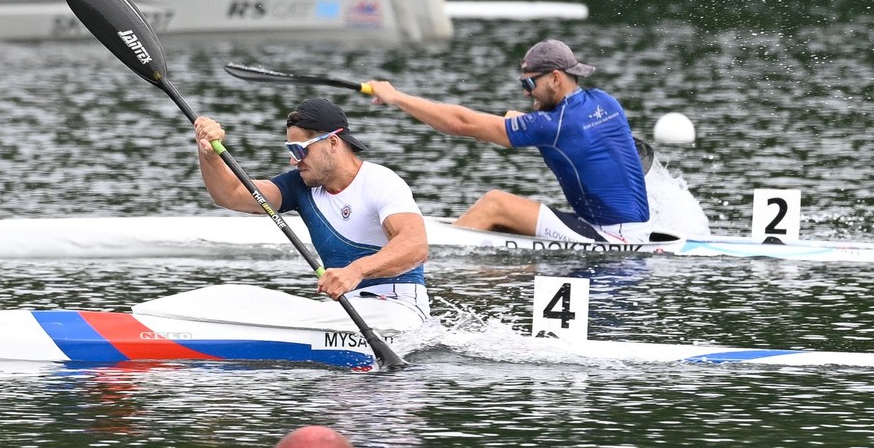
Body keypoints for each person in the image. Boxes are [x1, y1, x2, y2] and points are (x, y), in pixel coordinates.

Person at [366, 39, 650, 244]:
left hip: (609, 236)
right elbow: (574, 134)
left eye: (529, 84)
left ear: (554, 78)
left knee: (495, 204)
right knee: (501, 224)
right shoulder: (605, 101)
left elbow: (462, 124)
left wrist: (397, 97)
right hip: (635, 228)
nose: (527, 93)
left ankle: (425, 255)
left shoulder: (554, 126)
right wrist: (525, 122)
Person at [193, 98, 429, 312]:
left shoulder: (380, 181)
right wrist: (209, 154)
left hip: (399, 306)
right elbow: (232, 195)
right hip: (348, 308)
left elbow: (415, 246)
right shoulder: (301, 185)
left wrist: (356, 271)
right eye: (290, 150)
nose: (293, 160)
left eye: (298, 150)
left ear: (333, 142)